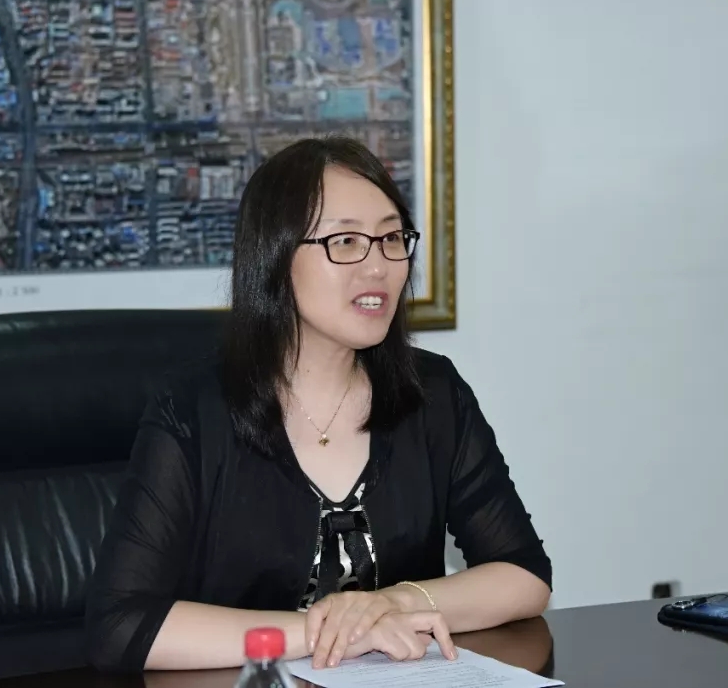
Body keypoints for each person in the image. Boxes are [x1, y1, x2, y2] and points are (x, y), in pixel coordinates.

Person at [84, 136, 552, 673]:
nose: (377, 266)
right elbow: (120, 624)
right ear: (276, 257)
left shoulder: (433, 393)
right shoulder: (193, 410)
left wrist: (393, 602)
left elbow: (524, 574)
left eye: (391, 238)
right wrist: (326, 630)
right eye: (346, 241)